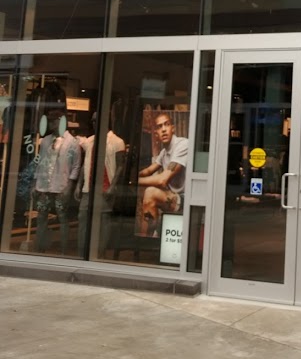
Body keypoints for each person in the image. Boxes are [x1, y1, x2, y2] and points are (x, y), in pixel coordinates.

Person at [75, 115, 126, 257]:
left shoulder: (117, 142)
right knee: (83, 217)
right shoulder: (90, 141)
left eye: (96, 120)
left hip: (105, 187)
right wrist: (79, 184)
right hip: (89, 188)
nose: (93, 123)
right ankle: (82, 252)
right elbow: (85, 164)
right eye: (92, 121)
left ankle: (100, 252)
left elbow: (120, 166)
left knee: (103, 220)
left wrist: (112, 186)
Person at [33, 110, 82, 254]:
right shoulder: (46, 141)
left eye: (54, 121)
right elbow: (40, 162)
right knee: (41, 215)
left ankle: (63, 249)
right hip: (44, 185)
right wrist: (35, 183)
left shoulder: (72, 142)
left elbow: (76, 165)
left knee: (62, 217)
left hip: (61, 185)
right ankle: (40, 247)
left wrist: (70, 186)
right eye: (50, 121)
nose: (51, 124)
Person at [137, 111, 187, 237]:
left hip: (186, 199)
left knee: (150, 192)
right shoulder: (164, 152)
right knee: (146, 194)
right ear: (156, 133)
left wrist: (135, 181)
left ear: (173, 128)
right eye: (159, 127)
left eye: (167, 124)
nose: (163, 129)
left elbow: (162, 180)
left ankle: (147, 238)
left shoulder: (182, 145)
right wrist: (133, 175)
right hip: (174, 197)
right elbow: (148, 171)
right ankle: (150, 235)